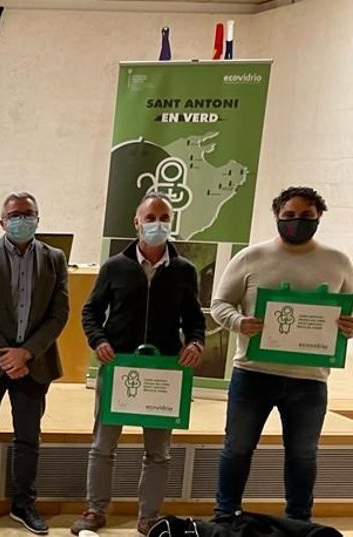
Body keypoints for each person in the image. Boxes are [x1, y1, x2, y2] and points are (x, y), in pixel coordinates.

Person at [211, 186, 353, 522]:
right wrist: (239, 322)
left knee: (303, 455)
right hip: (253, 373)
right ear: (277, 215)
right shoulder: (250, 257)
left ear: (319, 217)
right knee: (237, 449)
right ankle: (225, 516)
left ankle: (298, 522)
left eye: (306, 216)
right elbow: (219, 304)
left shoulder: (339, 262)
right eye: (289, 215)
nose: (296, 221)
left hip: (310, 379)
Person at [73, 192, 207, 536]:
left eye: (164, 218)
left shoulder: (184, 270)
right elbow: (90, 311)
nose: (157, 224)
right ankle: (95, 510)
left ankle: (149, 517)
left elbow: (195, 319)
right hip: (119, 366)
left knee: (158, 452)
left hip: (163, 372)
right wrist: (99, 340)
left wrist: (195, 342)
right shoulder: (114, 267)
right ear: (137, 223)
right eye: (150, 218)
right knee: (103, 446)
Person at [0, 192, 69, 535]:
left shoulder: (54, 259)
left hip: (35, 363)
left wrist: (27, 352)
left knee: (28, 436)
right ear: (2, 222)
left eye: (28, 214)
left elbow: (59, 312)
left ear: (38, 218)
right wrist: (6, 356)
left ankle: (23, 503)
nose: (22, 220)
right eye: (15, 215)